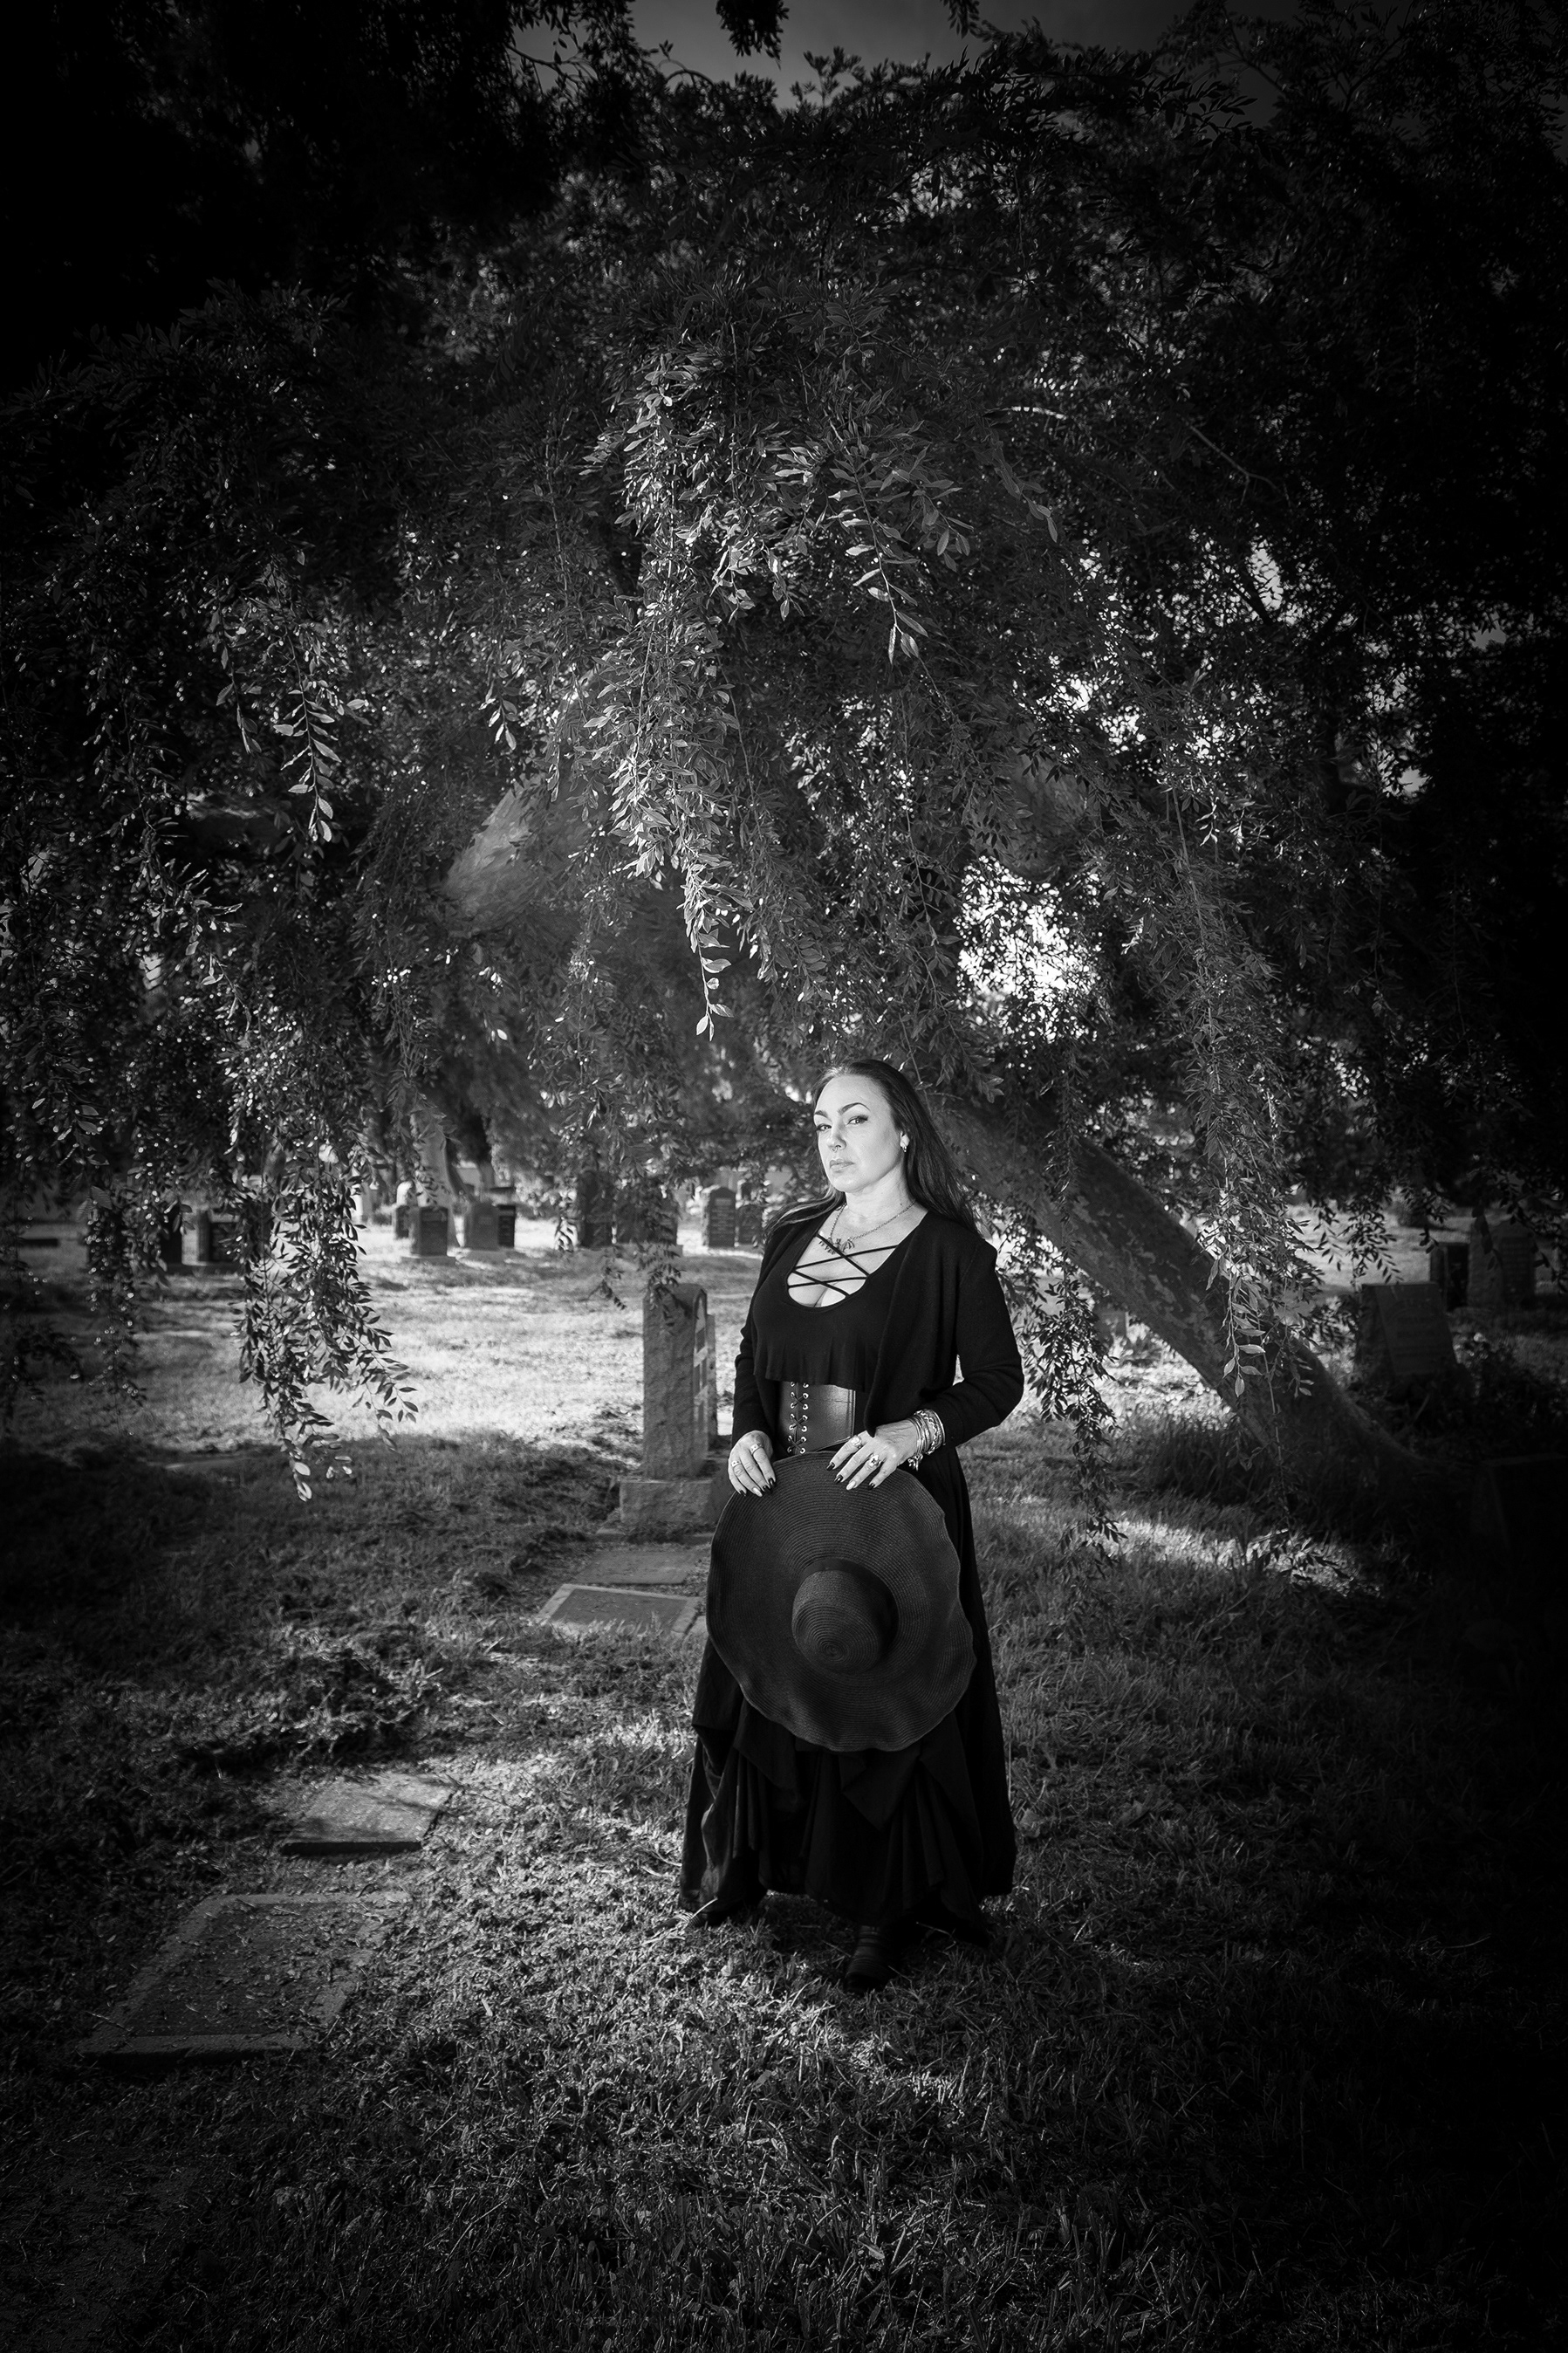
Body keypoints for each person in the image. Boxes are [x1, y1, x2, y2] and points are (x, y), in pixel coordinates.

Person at [679, 1060, 1024, 1989]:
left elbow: (999, 1380)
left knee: (884, 1683)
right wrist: (748, 1432)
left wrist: (915, 1431)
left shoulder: (951, 1252)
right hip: (782, 1501)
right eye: (821, 1122)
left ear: (902, 1130)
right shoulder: (793, 1232)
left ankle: (887, 1904)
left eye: (855, 1118)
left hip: (886, 1500)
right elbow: (754, 1355)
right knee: (769, 1668)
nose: (832, 1138)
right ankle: (746, 1866)